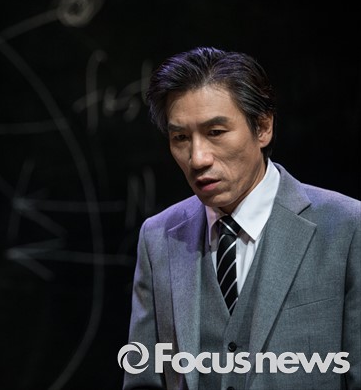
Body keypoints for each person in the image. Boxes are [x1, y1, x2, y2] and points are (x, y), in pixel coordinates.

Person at [122, 47, 360, 389]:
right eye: (181, 138)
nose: (198, 158)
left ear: (262, 127)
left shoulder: (347, 227)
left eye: (216, 132)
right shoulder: (159, 236)